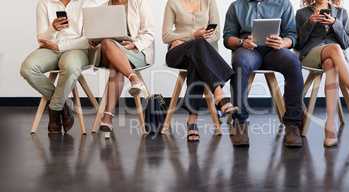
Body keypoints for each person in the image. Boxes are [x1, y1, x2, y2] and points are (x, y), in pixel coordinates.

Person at [224, 0, 305, 147]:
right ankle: (240, 122)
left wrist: (283, 43)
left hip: (275, 51)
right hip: (248, 50)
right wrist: (242, 42)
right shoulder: (237, 6)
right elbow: (227, 38)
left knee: (293, 62)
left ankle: (292, 125)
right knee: (240, 63)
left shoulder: (283, 4)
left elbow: (292, 35)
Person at [296, 0, 349, 147]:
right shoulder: (302, 13)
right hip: (312, 55)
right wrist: (310, 23)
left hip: (335, 58)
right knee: (335, 48)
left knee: (331, 63)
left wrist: (335, 23)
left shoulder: (341, 13)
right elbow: (298, 44)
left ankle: (331, 126)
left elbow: (346, 43)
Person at [20, 0, 104, 134]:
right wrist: (53, 29)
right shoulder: (44, 3)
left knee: (70, 66)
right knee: (27, 69)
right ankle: (63, 105)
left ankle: (55, 109)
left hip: (77, 49)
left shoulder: (88, 3)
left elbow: (90, 39)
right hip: (49, 48)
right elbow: (41, 38)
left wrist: (60, 46)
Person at [162, 0, 237, 142]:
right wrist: (191, 36)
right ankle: (219, 93)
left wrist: (196, 40)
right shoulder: (173, 2)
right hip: (177, 52)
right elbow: (166, 36)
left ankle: (192, 120)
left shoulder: (210, 2)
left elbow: (216, 35)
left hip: (201, 53)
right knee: (197, 48)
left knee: (197, 58)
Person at [92, 0, 155, 135]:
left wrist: (135, 44)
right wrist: (93, 39)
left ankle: (107, 117)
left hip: (135, 50)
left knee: (115, 67)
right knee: (107, 42)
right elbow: (95, 35)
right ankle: (134, 79)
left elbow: (149, 32)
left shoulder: (139, 3)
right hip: (109, 49)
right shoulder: (103, 7)